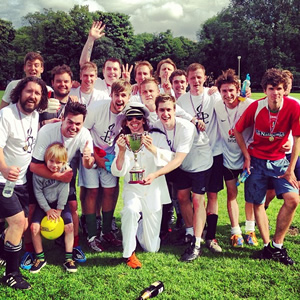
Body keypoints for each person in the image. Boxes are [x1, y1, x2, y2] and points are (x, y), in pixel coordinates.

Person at [234, 68, 300, 265]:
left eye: (279, 88)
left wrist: (290, 169)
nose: (275, 93)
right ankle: (266, 246)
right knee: (258, 203)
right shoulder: (256, 107)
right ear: (265, 90)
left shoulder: (293, 107)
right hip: (257, 161)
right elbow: (238, 131)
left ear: (285, 89)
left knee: (293, 200)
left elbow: (297, 140)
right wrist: (246, 157)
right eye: (271, 88)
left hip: (280, 161)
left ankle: (277, 245)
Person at [144, 94, 213, 262]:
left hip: (199, 164)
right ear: (157, 110)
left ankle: (196, 244)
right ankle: (189, 233)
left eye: (169, 109)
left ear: (175, 110)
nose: (165, 114)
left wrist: (155, 174)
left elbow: (177, 159)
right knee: (182, 197)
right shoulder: (156, 125)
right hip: (182, 166)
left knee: (197, 201)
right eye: (162, 110)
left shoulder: (186, 127)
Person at [30, 102, 94, 264]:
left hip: (63, 173)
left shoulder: (85, 134)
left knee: (72, 206)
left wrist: (87, 158)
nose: (73, 126)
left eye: (78, 123)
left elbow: (88, 164)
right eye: (70, 122)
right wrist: (60, 176)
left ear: (83, 123)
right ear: (62, 119)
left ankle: (75, 245)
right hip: (42, 174)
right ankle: (30, 250)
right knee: (31, 208)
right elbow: (34, 166)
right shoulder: (47, 131)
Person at [111, 103, 173, 268]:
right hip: (133, 190)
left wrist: (152, 148)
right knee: (130, 210)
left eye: (138, 118)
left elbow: (171, 159)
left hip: (153, 191)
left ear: (144, 120)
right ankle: (128, 254)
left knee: (152, 248)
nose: (134, 121)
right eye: (130, 119)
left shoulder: (157, 136)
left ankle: (137, 226)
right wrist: (122, 152)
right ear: (126, 122)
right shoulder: (122, 140)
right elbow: (117, 172)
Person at [0, 76, 48, 289]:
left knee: (20, 224)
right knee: (18, 223)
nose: (33, 96)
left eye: (37, 93)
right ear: (19, 92)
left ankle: (3, 253)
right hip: (3, 179)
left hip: (21, 182)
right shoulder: (6, 114)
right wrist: (4, 168)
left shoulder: (35, 116)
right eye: (29, 91)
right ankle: (11, 274)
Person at [80, 79, 132, 250]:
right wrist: (96, 156)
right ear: (111, 95)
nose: (120, 99)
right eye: (117, 95)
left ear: (129, 97)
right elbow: (83, 131)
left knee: (110, 191)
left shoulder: (129, 111)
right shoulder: (96, 108)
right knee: (93, 191)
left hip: (110, 155)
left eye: (124, 95)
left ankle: (107, 232)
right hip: (91, 150)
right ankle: (92, 235)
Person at [177, 63, 223, 252]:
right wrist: (193, 119)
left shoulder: (213, 96)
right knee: (187, 196)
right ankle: (192, 231)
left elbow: (232, 103)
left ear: (205, 78)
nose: (196, 81)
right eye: (192, 78)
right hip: (193, 155)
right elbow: (177, 114)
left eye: (199, 77)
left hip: (214, 151)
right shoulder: (182, 100)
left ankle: (210, 237)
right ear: (187, 80)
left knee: (211, 195)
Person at [214, 69, 257, 247]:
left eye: (232, 90)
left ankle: (250, 230)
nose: (228, 94)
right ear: (219, 92)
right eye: (224, 91)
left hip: (249, 157)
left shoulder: (249, 104)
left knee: (250, 196)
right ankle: (235, 232)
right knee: (232, 193)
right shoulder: (216, 104)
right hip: (228, 157)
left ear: (238, 88)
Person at [30, 143, 77, 273]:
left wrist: (60, 209)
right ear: (46, 158)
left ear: (64, 162)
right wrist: (47, 209)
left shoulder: (65, 171)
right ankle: (40, 258)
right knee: (34, 228)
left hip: (59, 203)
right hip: (44, 204)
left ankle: (69, 258)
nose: (55, 165)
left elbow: (64, 190)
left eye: (59, 162)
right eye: (51, 161)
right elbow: (37, 192)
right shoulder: (39, 172)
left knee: (69, 226)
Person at [265, 69, 300, 210]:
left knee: (294, 189)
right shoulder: (268, 103)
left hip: (292, 153)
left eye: (289, 84)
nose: (288, 87)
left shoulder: (295, 103)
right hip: (274, 155)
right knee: (271, 190)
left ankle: (288, 210)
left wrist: (291, 142)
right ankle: (265, 206)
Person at [79, 21, 122, 97]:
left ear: (120, 72)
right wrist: (91, 39)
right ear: (103, 71)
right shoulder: (96, 83)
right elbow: (84, 65)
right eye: (108, 69)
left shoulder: (126, 88)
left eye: (115, 69)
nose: (112, 72)